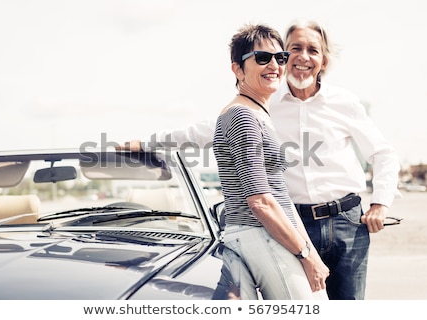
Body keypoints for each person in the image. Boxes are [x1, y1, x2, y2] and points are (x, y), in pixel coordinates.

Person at [119, 18, 400, 300]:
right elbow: (203, 131)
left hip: (346, 222)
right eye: (294, 49)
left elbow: (382, 152)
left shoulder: (344, 102)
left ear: (324, 60)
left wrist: (380, 203)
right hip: (289, 225)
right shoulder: (263, 102)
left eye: (312, 50)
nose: (303, 57)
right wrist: (146, 143)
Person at [213, 23, 329, 300]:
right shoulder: (243, 117)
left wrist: (309, 252)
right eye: (262, 58)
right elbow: (260, 201)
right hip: (260, 234)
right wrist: (305, 254)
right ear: (238, 69)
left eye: (280, 57)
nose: (274, 65)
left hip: (275, 235)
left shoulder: (258, 114)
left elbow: (281, 196)